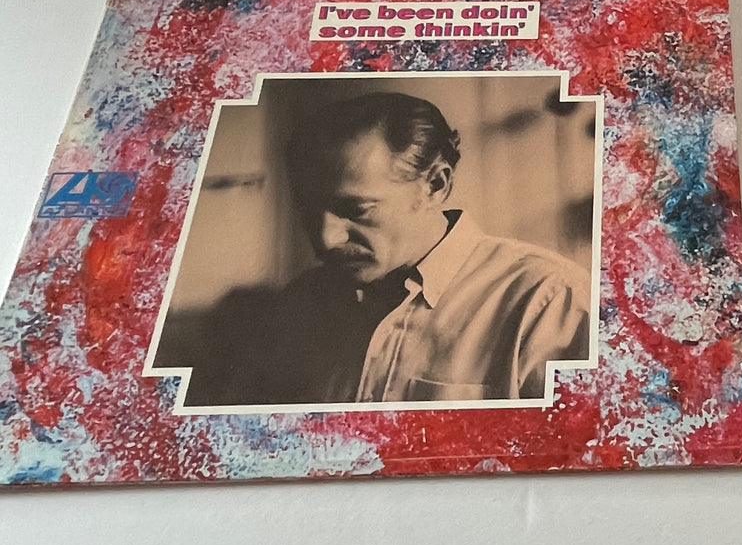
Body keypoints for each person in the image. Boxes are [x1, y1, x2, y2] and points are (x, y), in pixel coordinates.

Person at [187, 92, 590, 406]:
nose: (327, 239)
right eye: (309, 212)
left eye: (356, 210)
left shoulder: (549, 302)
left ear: (435, 186)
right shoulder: (299, 307)